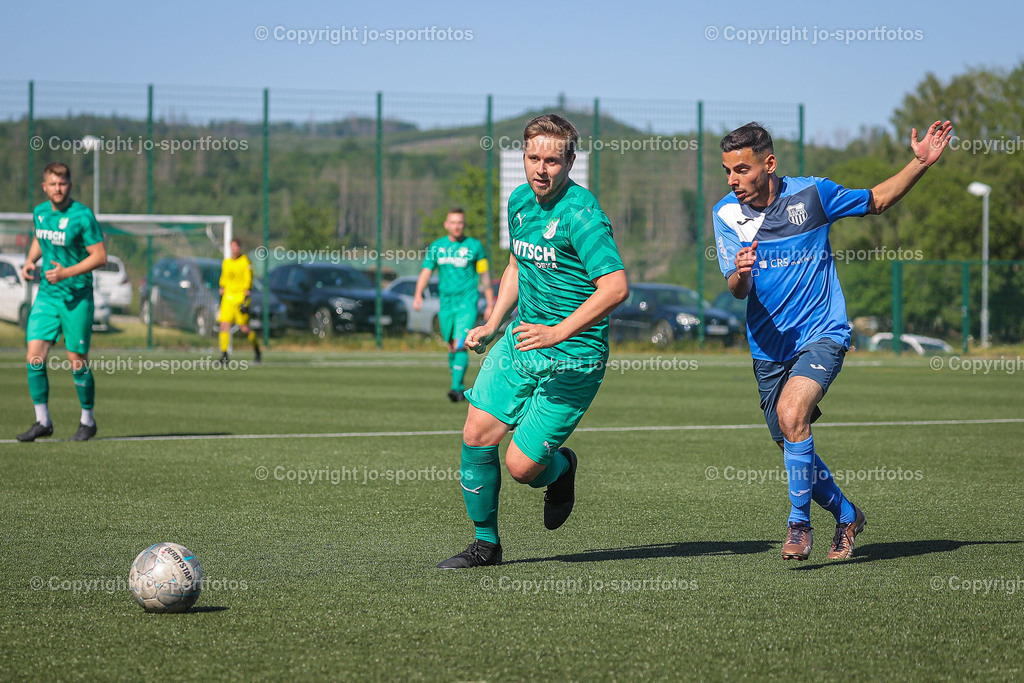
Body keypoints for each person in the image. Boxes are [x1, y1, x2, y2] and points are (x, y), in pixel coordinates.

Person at [713, 119, 952, 560]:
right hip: (768, 348)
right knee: (789, 437)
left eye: (742, 170)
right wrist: (740, 274)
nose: (733, 180)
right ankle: (847, 514)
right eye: (728, 170)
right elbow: (736, 287)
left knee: (792, 413)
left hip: (823, 332)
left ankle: (798, 524)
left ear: (769, 164)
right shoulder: (725, 214)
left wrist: (920, 164)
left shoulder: (813, 194)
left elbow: (877, 200)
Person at [437, 114, 629, 569]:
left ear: (570, 162)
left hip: (574, 356)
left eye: (552, 161)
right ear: (523, 156)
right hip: (522, 342)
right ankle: (486, 545)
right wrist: (492, 322)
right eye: (533, 158)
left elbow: (616, 288)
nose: (541, 169)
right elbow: (517, 265)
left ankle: (561, 469)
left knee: (523, 469)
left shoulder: (583, 216)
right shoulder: (519, 201)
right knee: (475, 435)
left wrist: (558, 332)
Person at [18, 162, 107, 442]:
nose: (58, 189)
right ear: (45, 187)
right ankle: (42, 420)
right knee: (34, 356)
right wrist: (30, 261)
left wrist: (65, 273)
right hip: (47, 295)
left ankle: (87, 420)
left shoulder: (82, 216)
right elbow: (39, 238)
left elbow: (99, 256)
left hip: (77, 297)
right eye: (53, 184)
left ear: (70, 185)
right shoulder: (40, 212)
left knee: (76, 361)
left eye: (63, 183)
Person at [413, 208, 494, 401]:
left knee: (459, 344)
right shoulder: (437, 247)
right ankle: (458, 383)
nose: (457, 226)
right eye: (453, 222)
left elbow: (484, 274)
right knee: (450, 345)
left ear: (464, 225)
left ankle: (456, 388)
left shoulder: (474, 246)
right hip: (446, 305)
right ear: (446, 225)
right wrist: (418, 294)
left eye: (460, 223)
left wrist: (491, 302)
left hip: (467, 303)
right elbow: (426, 271)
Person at [218, 238, 261, 365]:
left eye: (236, 246)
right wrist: (222, 290)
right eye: (232, 246)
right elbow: (224, 279)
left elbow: (248, 281)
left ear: (240, 247)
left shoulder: (245, 262)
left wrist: (247, 298)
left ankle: (257, 350)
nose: (234, 249)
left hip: (240, 298)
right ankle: (224, 355)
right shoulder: (226, 262)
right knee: (224, 325)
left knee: (244, 329)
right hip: (228, 298)